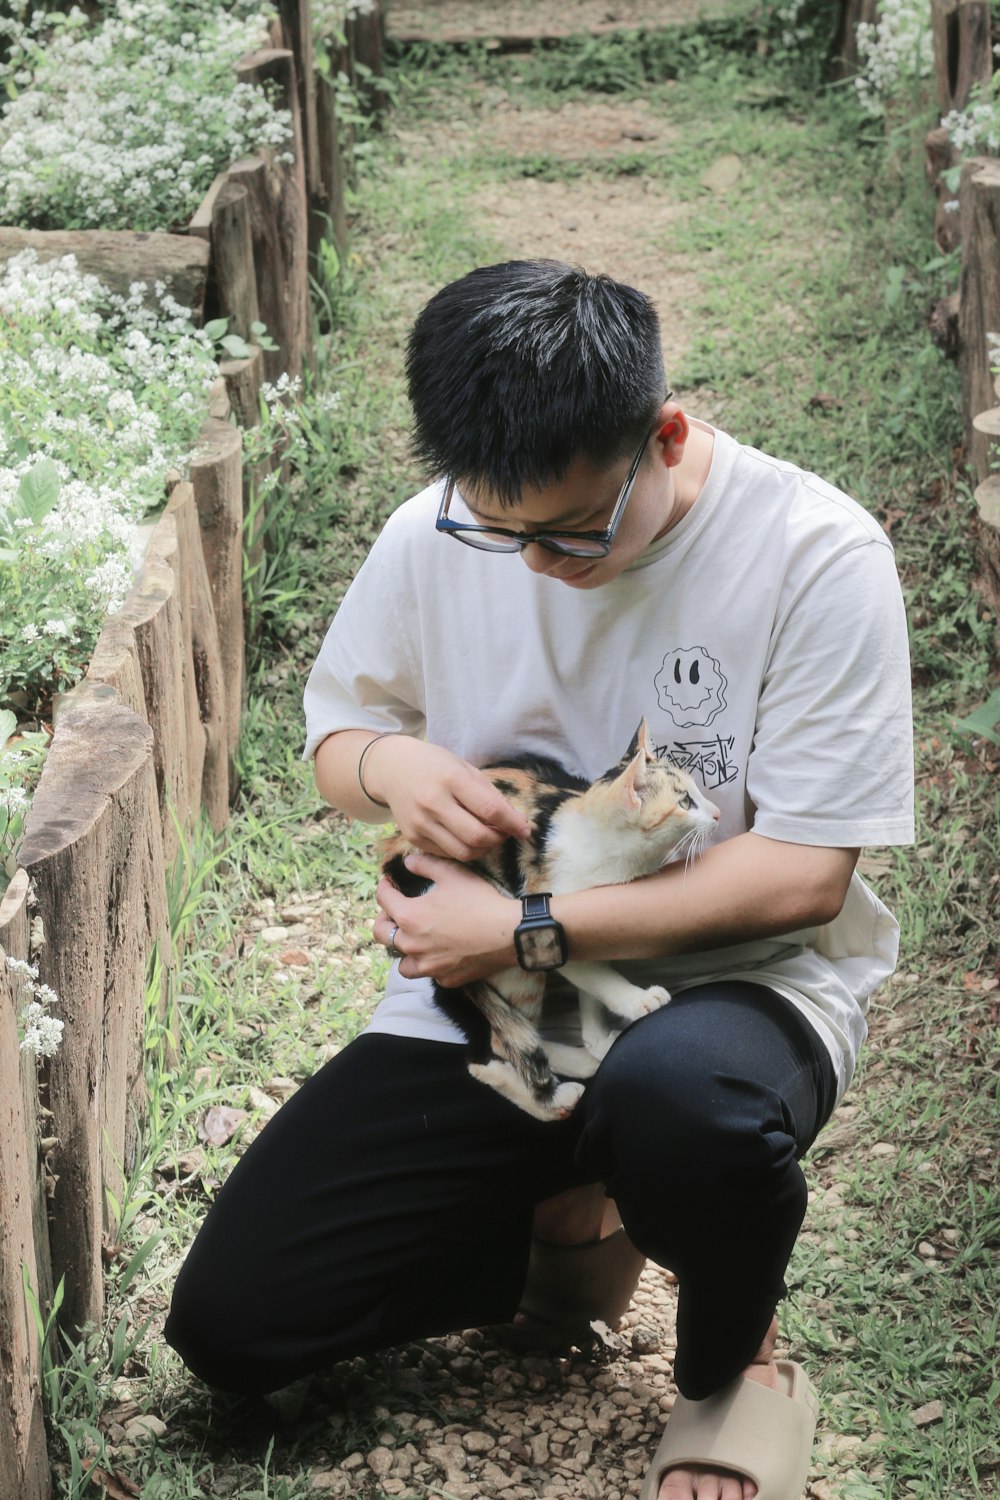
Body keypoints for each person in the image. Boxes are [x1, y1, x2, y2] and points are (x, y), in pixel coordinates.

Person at [165, 260, 914, 1500]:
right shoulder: (440, 532)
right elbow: (336, 738)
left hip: (727, 986)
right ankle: (577, 1212)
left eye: (571, 530)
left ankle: (739, 1368)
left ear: (664, 437)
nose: (533, 563)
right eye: (495, 529)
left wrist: (520, 928)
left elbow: (800, 882)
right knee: (235, 1327)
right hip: (493, 1004)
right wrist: (392, 763)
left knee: (695, 1110)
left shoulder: (815, 554)